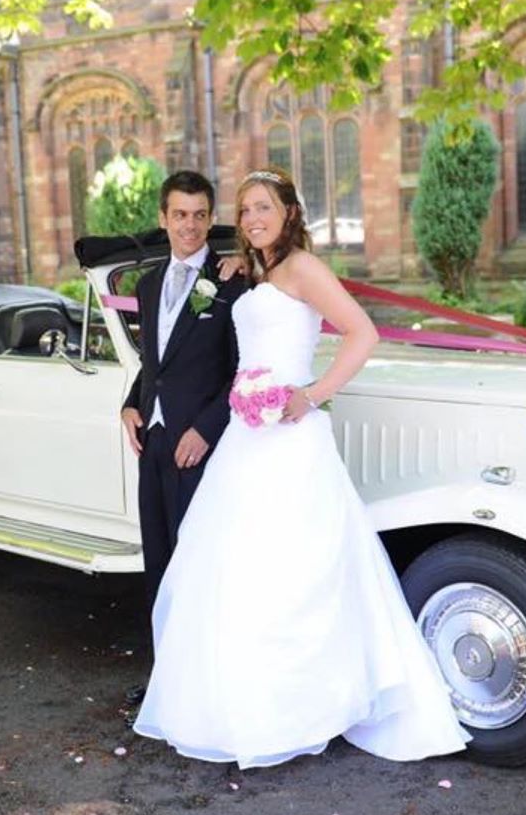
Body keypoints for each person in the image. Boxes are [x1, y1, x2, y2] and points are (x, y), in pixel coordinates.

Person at [133, 166, 470, 766]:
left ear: (289, 212)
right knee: (235, 571)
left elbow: (361, 333)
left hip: (291, 438)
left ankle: (310, 705)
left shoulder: (307, 269)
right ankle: (241, 702)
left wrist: (310, 395)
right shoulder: (252, 271)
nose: (255, 218)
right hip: (244, 440)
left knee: (297, 568)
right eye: (246, 209)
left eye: (265, 207)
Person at [121, 170, 247, 711]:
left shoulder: (232, 281)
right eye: (180, 214)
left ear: (210, 218)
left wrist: (206, 428)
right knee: (159, 562)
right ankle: (167, 678)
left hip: (200, 446)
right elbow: (155, 362)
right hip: (151, 443)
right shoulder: (147, 285)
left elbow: (244, 371)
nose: (190, 225)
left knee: (200, 564)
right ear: (164, 218)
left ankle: (206, 683)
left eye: (200, 215)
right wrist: (130, 402)